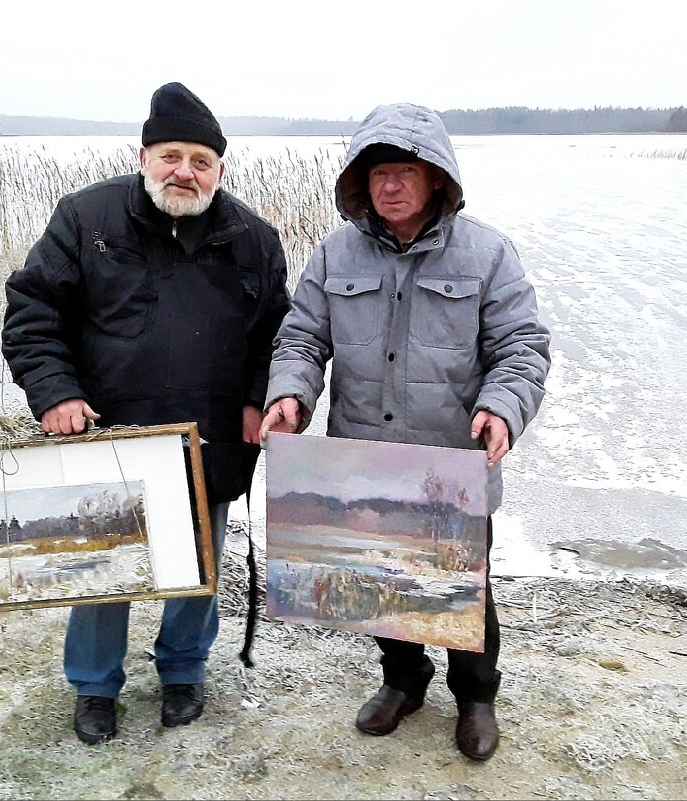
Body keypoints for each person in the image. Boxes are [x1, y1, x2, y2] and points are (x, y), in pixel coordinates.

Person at [259, 102, 550, 761]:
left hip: (450, 463)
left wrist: (503, 407)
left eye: (405, 173)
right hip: (365, 459)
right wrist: (290, 396)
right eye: (378, 174)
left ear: (438, 179)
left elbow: (522, 348)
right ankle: (403, 680)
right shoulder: (334, 253)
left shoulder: (488, 253)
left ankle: (475, 695)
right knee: (382, 583)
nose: (389, 186)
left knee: (462, 587)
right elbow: (301, 338)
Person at [2, 82, 290, 744]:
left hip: (211, 436)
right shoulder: (85, 218)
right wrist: (56, 392)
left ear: (219, 169)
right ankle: (95, 685)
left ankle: (184, 671)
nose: (184, 171)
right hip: (109, 435)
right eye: (171, 156)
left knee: (197, 567)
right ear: (143, 157)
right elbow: (33, 313)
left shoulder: (254, 238)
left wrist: (257, 399)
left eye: (200, 160)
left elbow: (277, 333)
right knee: (103, 570)